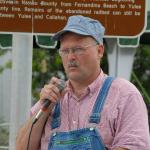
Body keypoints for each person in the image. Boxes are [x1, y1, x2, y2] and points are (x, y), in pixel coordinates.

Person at [16, 15, 150, 150]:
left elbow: (133, 146)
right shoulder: (51, 98)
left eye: (78, 49)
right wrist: (44, 109)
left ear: (100, 51)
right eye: (65, 51)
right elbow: (21, 147)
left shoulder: (124, 94)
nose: (70, 57)